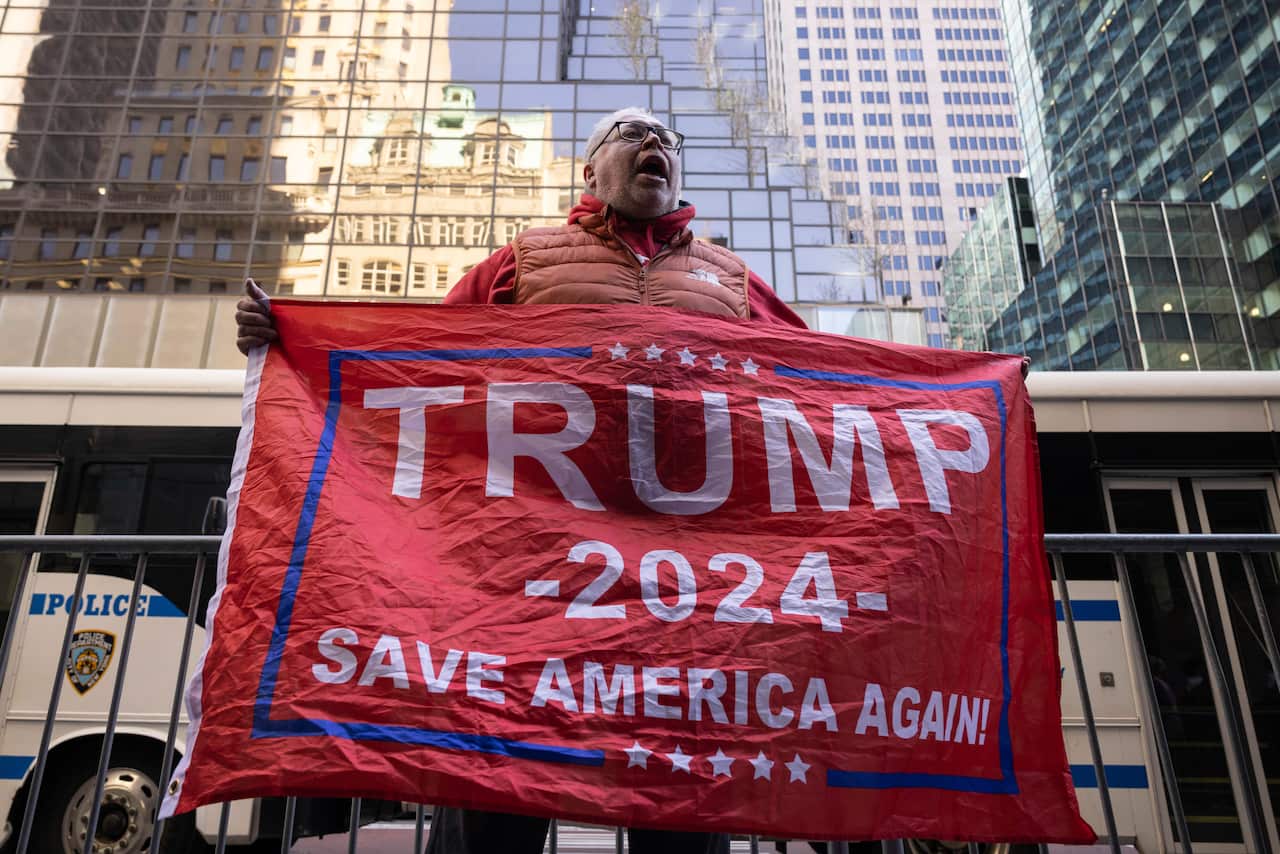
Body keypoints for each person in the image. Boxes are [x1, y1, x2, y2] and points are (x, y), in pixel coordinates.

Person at [233, 107, 806, 853]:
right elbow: (414, 363)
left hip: (682, 589)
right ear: (590, 170)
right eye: (634, 135)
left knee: (680, 793)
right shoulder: (524, 262)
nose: (655, 146)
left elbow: (820, 382)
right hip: (535, 580)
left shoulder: (730, 278)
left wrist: (961, 396)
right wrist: (296, 340)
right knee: (501, 776)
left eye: (667, 139)